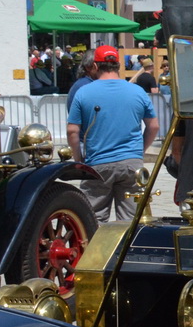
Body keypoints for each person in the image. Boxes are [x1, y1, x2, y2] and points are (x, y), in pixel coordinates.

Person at [67, 56, 158, 221]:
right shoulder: (137, 91)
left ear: (95, 66)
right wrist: (139, 151)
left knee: (94, 219)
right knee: (131, 219)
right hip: (131, 162)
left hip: (97, 163)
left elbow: (72, 131)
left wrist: (78, 159)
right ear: (119, 65)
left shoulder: (84, 92)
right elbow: (154, 126)